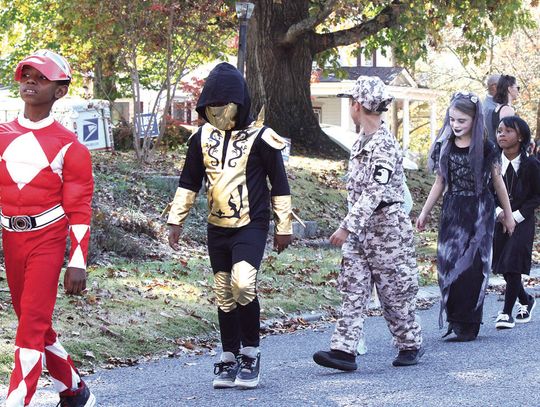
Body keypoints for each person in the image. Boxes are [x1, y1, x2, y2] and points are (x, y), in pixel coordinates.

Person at [166, 62, 292, 389]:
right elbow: (188, 181)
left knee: (242, 284)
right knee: (223, 292)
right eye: (212, 108)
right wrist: (175, 221)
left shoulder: (263, 138)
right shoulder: (200, 139)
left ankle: (251, 351)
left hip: (252, 223)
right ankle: (228, 355)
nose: (218, 113)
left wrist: (284, 226)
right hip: (216, 226)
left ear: (239, 104)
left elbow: (279, 183)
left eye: (224, 107)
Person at [0, 50, 95, 406]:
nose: (30, 81)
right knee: (34, 321)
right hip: (12, 238)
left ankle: (15, 402)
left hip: (48, 239)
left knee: (28, 328)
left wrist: (78, 261)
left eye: (41, 77)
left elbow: (80, 208)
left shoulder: (71, 146)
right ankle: (74, 390)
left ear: (60, 90)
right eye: (27, 74)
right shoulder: (2, 134)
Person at [313, 76, 423, 372]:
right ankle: (344, 350)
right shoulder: (361, 142)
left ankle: (409, 342)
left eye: (351, 101)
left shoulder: (384, 145)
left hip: (387, 230)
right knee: (354, 288)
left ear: (357, 105)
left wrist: (347, 225)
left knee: (394, 292)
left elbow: (376, 191)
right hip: (361, 232)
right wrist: (353, 227)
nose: (349, 106)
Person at [416, 91, 515, 342]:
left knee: (473, 267)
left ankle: (469, 324)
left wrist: (508, 215)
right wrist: (424, 212)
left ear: (474, 120)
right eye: (452, 120)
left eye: (461, 121)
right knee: (447, 265)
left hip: (480, 211)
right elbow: (440, 182)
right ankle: (454, 319)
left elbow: (498, 182)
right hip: (453, 210)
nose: (456, 125)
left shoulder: (487, 148)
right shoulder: (445, 146)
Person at [492, 116, 539, 329]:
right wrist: (501, 213)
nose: (501, 134)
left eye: (508, 131)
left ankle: (506, 313)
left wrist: (516, 216)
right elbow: (487, 191)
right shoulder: (492, 162)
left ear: (520, 136)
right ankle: (526, 299)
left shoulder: (531, 165)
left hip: (523, 220)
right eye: (499, 130)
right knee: (504, 266)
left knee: (513, 262)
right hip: (499, 218)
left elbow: (537, 196)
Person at [489, 75, 520, 141]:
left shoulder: (498, 108)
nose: (518, 91)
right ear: (509, 89)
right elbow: (507, 135)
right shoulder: (507, 109)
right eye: (517, 87)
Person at [482, 74, 500, 141]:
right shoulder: (490, 109)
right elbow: (490, 137)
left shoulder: (491, 105)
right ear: (495, 87)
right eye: (503, 85)